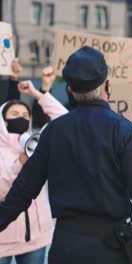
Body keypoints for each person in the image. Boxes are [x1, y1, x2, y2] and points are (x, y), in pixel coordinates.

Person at [0, 46, 132, 264]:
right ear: (107, 85)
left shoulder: (53, 131)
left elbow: (23, 191)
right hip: (111, 247)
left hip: (65, 245)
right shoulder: (122, 130)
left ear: (70, 90)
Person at [0, 81, 67, 264]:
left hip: (36, 239)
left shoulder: (37, 143)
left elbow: (64, 120)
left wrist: (37, 94)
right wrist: (19, 165)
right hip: (3, 240)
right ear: (3, 120)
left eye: (25, 115)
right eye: (14, 114)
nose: (20, 118)